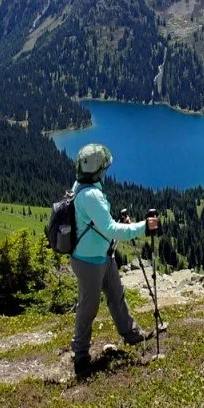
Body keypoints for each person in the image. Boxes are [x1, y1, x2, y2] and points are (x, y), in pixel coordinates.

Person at [69, 143, 158, 378]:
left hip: (101, 256)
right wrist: (143, 227)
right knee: (88, 307)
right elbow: (110, 229)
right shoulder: (91, 195)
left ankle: (131, 334)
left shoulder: (83, 186)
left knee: (116, 294)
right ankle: (80, 356)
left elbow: (98, 221)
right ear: (97, 169)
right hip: (89, 261)